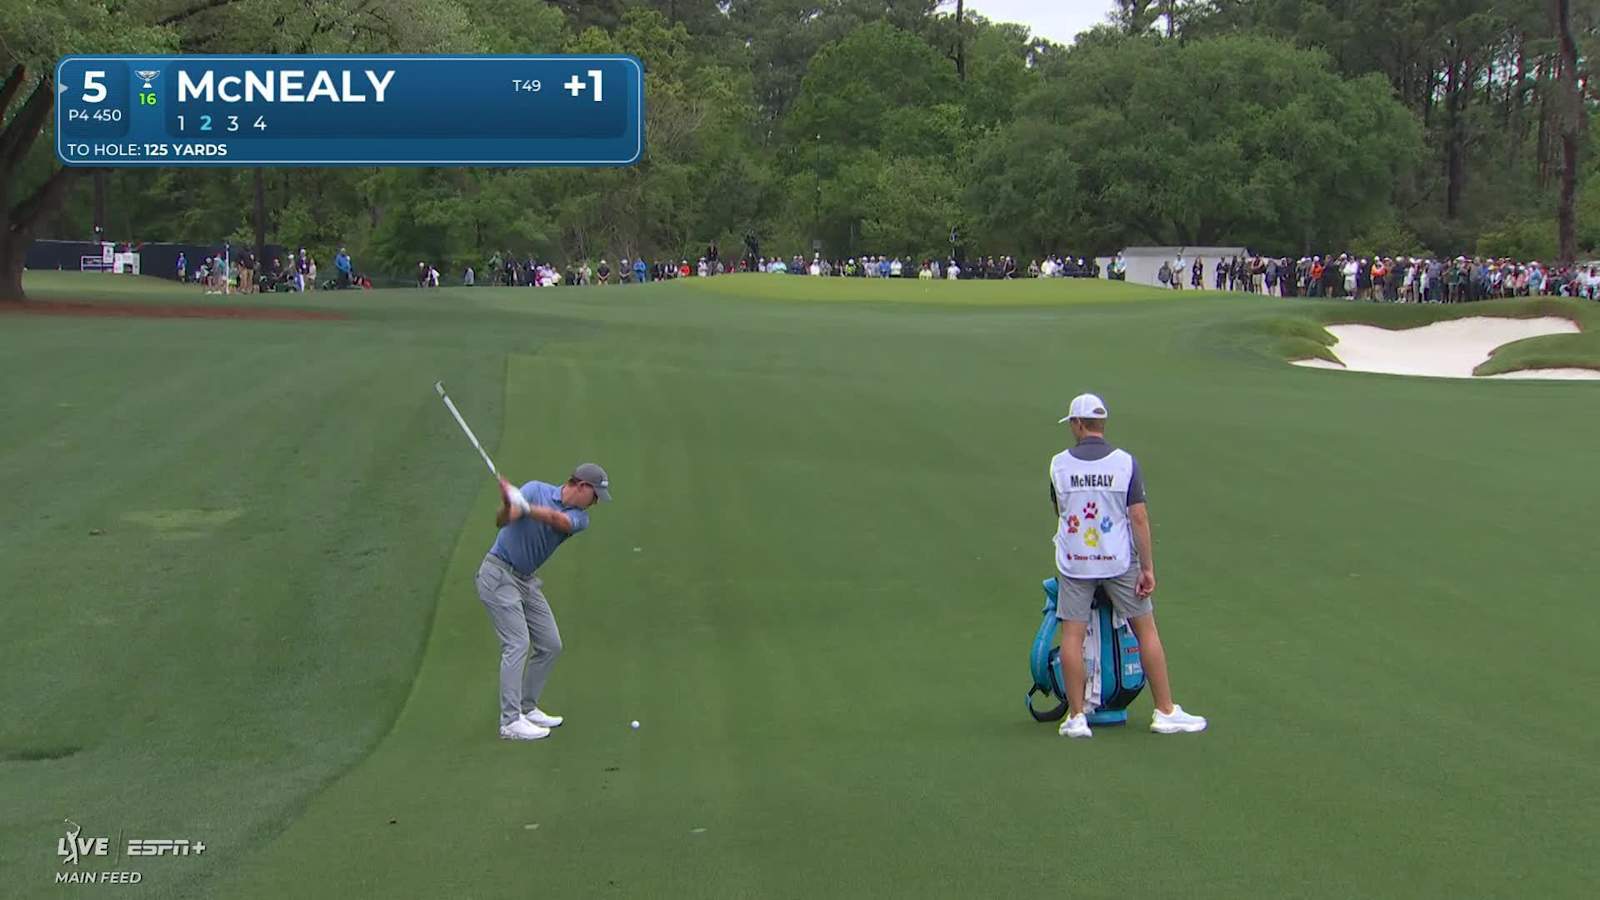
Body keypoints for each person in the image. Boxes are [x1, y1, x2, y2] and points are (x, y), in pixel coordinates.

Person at [1049, 393, 1206, 739]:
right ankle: (1165, 710)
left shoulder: (1059, 463)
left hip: (1075, 561)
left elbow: (1060, 510)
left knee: (1072, 636)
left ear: (1077, 424)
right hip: (1118, 559)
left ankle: (1076, 717)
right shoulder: (1125, 462)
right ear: (1101, 424)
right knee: (1145, 630)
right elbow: (1138, 516)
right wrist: (1147, 567)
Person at [476, 464, 611, 741]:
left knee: (551, 645)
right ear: (583, 486)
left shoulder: (579, 517)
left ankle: (527, 707)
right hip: (498, 573)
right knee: (517, 643)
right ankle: (510, 721)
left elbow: (556, 521)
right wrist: (509, 501)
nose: (596, 502)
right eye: (595, 495)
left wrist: (525, 507)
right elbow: (504, 520)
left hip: (524, 580)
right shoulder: (535, 489)